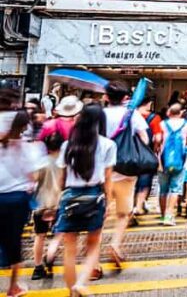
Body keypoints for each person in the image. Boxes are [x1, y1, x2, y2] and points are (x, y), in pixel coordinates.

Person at [55, 103, 117, 297]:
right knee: (93, 246)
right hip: (94, 196)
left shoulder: (68, 145)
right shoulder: (108, 144)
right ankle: (81, 283)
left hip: (71, 196)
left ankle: (72, 292)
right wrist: (109, 201)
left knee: (69, 250)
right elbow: (108, 178)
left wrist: (60, 198)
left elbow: (61, 178)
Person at [102, 80, 149, 269]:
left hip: (102, 170)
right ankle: (115, 244)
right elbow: (144, 138)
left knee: (100, 215)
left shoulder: (99, 115)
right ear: (125, 98)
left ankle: (94, 261)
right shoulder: (132, 115)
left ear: (106, 97)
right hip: (126, 170)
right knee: (123, 214)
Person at [0, 111, 44, 297]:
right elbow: (34, 176)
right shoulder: (29, 148)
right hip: (17, 200)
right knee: (14, 242)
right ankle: (13, 287)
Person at [31, 131, 65, 281]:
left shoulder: (41, 162)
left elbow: (33, 181)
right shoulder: (65, 162)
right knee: (59, 233)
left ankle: (38, 268)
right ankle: (50, 254)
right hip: (59, 203)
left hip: (41, 203)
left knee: (40, 235)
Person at [159, 102, 187, 225]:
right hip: (180, 161)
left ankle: (163, 216)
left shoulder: (162, 124)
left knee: (163, 190)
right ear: (181, 113)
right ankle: (169, 216)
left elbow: (157, 140)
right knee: (175, 189)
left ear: (169, 113)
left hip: (163, 162)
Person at [133, 97, 163, 220]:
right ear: (148, 103)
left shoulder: (130, 116)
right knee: (145, 179)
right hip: (147, 153)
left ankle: (131, 206)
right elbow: (158, 138)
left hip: (130, 152)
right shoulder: (154, 118)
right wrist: (155, 150)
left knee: (131, 180)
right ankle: (139, 206)